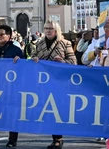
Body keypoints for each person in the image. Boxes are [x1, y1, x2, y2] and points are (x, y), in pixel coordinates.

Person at [31, 20, 77, 149]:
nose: (48, 31)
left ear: (56, 30)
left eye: (51, 28)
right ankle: (54, 138)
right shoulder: (39, 44)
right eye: (46, 28)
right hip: (44, 82)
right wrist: (34, 59)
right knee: (48, 111)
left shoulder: (65, 43)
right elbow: (33, 57)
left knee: (57, 110)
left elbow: (74, 62)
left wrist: (63, 61)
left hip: (60, 82)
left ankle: (58, 138)